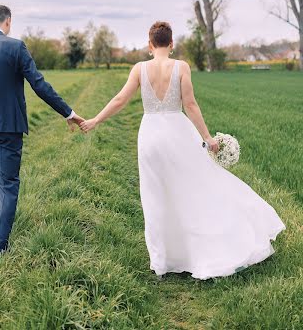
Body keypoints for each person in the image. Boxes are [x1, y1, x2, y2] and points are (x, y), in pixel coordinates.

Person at [80, 21, 286, 280]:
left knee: (155, 196)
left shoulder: (139, 68)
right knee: (193, 187)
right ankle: (199, 249)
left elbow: (120, 99)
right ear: (172, 43)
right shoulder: (181, 67)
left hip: (151, 136)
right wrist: (208, 138)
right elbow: (190, 104)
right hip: (178, 133)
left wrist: (95, 120)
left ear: (150, 45)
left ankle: (162, 261)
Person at [0, 4, 84, 267]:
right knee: (8, 183)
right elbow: (39, 84)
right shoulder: (16, 48)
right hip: (9, 126)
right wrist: (68, 113)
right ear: (8, 22)